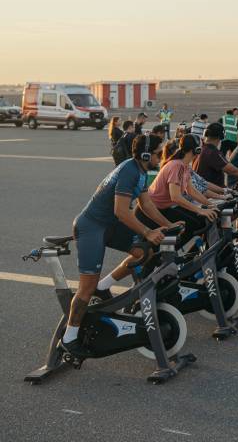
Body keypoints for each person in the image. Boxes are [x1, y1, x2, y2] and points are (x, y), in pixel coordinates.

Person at [62, 133, 174, 358]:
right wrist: (147, 231)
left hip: (110, 226)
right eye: (157, 153)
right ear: (145, 154)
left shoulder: (142, 172)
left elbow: (147, 204)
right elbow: (121, 211)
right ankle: (69, 337)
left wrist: (168, 225)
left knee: (144, 251)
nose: (161, 157)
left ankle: (104, 286)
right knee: (86, 288)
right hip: (91, 228)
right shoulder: (129, 172)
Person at [145, 134, 217, 240]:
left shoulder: (185, 165)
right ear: (196, 150)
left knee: (199, 221)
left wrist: (211, 205)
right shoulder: (177, 166)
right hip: (154, 209)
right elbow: (176, 197)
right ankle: (171, 253)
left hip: (163, 207)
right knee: (192, 225)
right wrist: (199, 210)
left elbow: (191, 191)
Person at [197, 122, 238, 188]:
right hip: (214, 192)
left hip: (208, 190)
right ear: (221, 136)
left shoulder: (202, 149)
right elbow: (233, 171)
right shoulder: (212, 152)